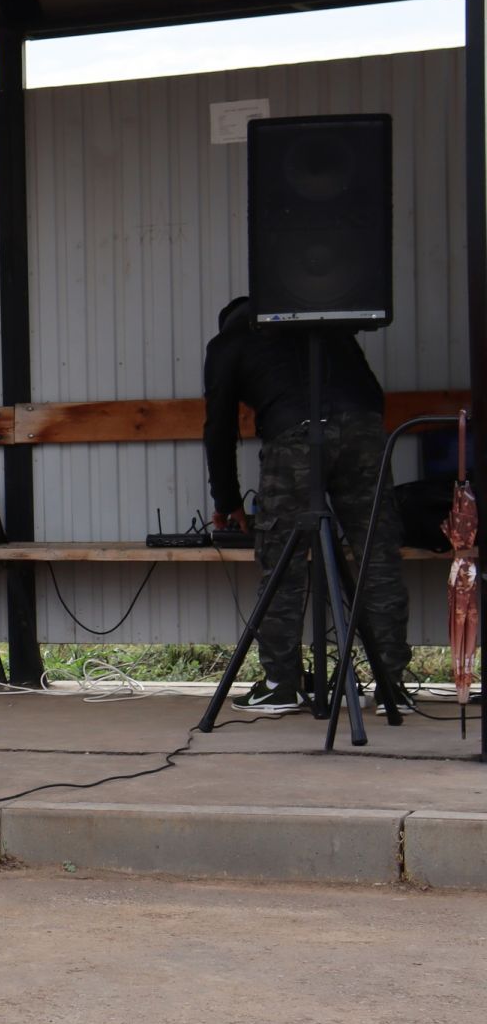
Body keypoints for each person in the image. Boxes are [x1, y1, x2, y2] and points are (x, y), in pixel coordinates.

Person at [203, 295, 411, 712]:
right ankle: (390, 686)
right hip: (365, 432)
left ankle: (281, 684)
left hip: (295, 437)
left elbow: (219, 425)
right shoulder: (324, 325)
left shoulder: (229, 343)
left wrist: (227, 501)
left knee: (284, 561)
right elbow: (371, 391)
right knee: (377, 554)